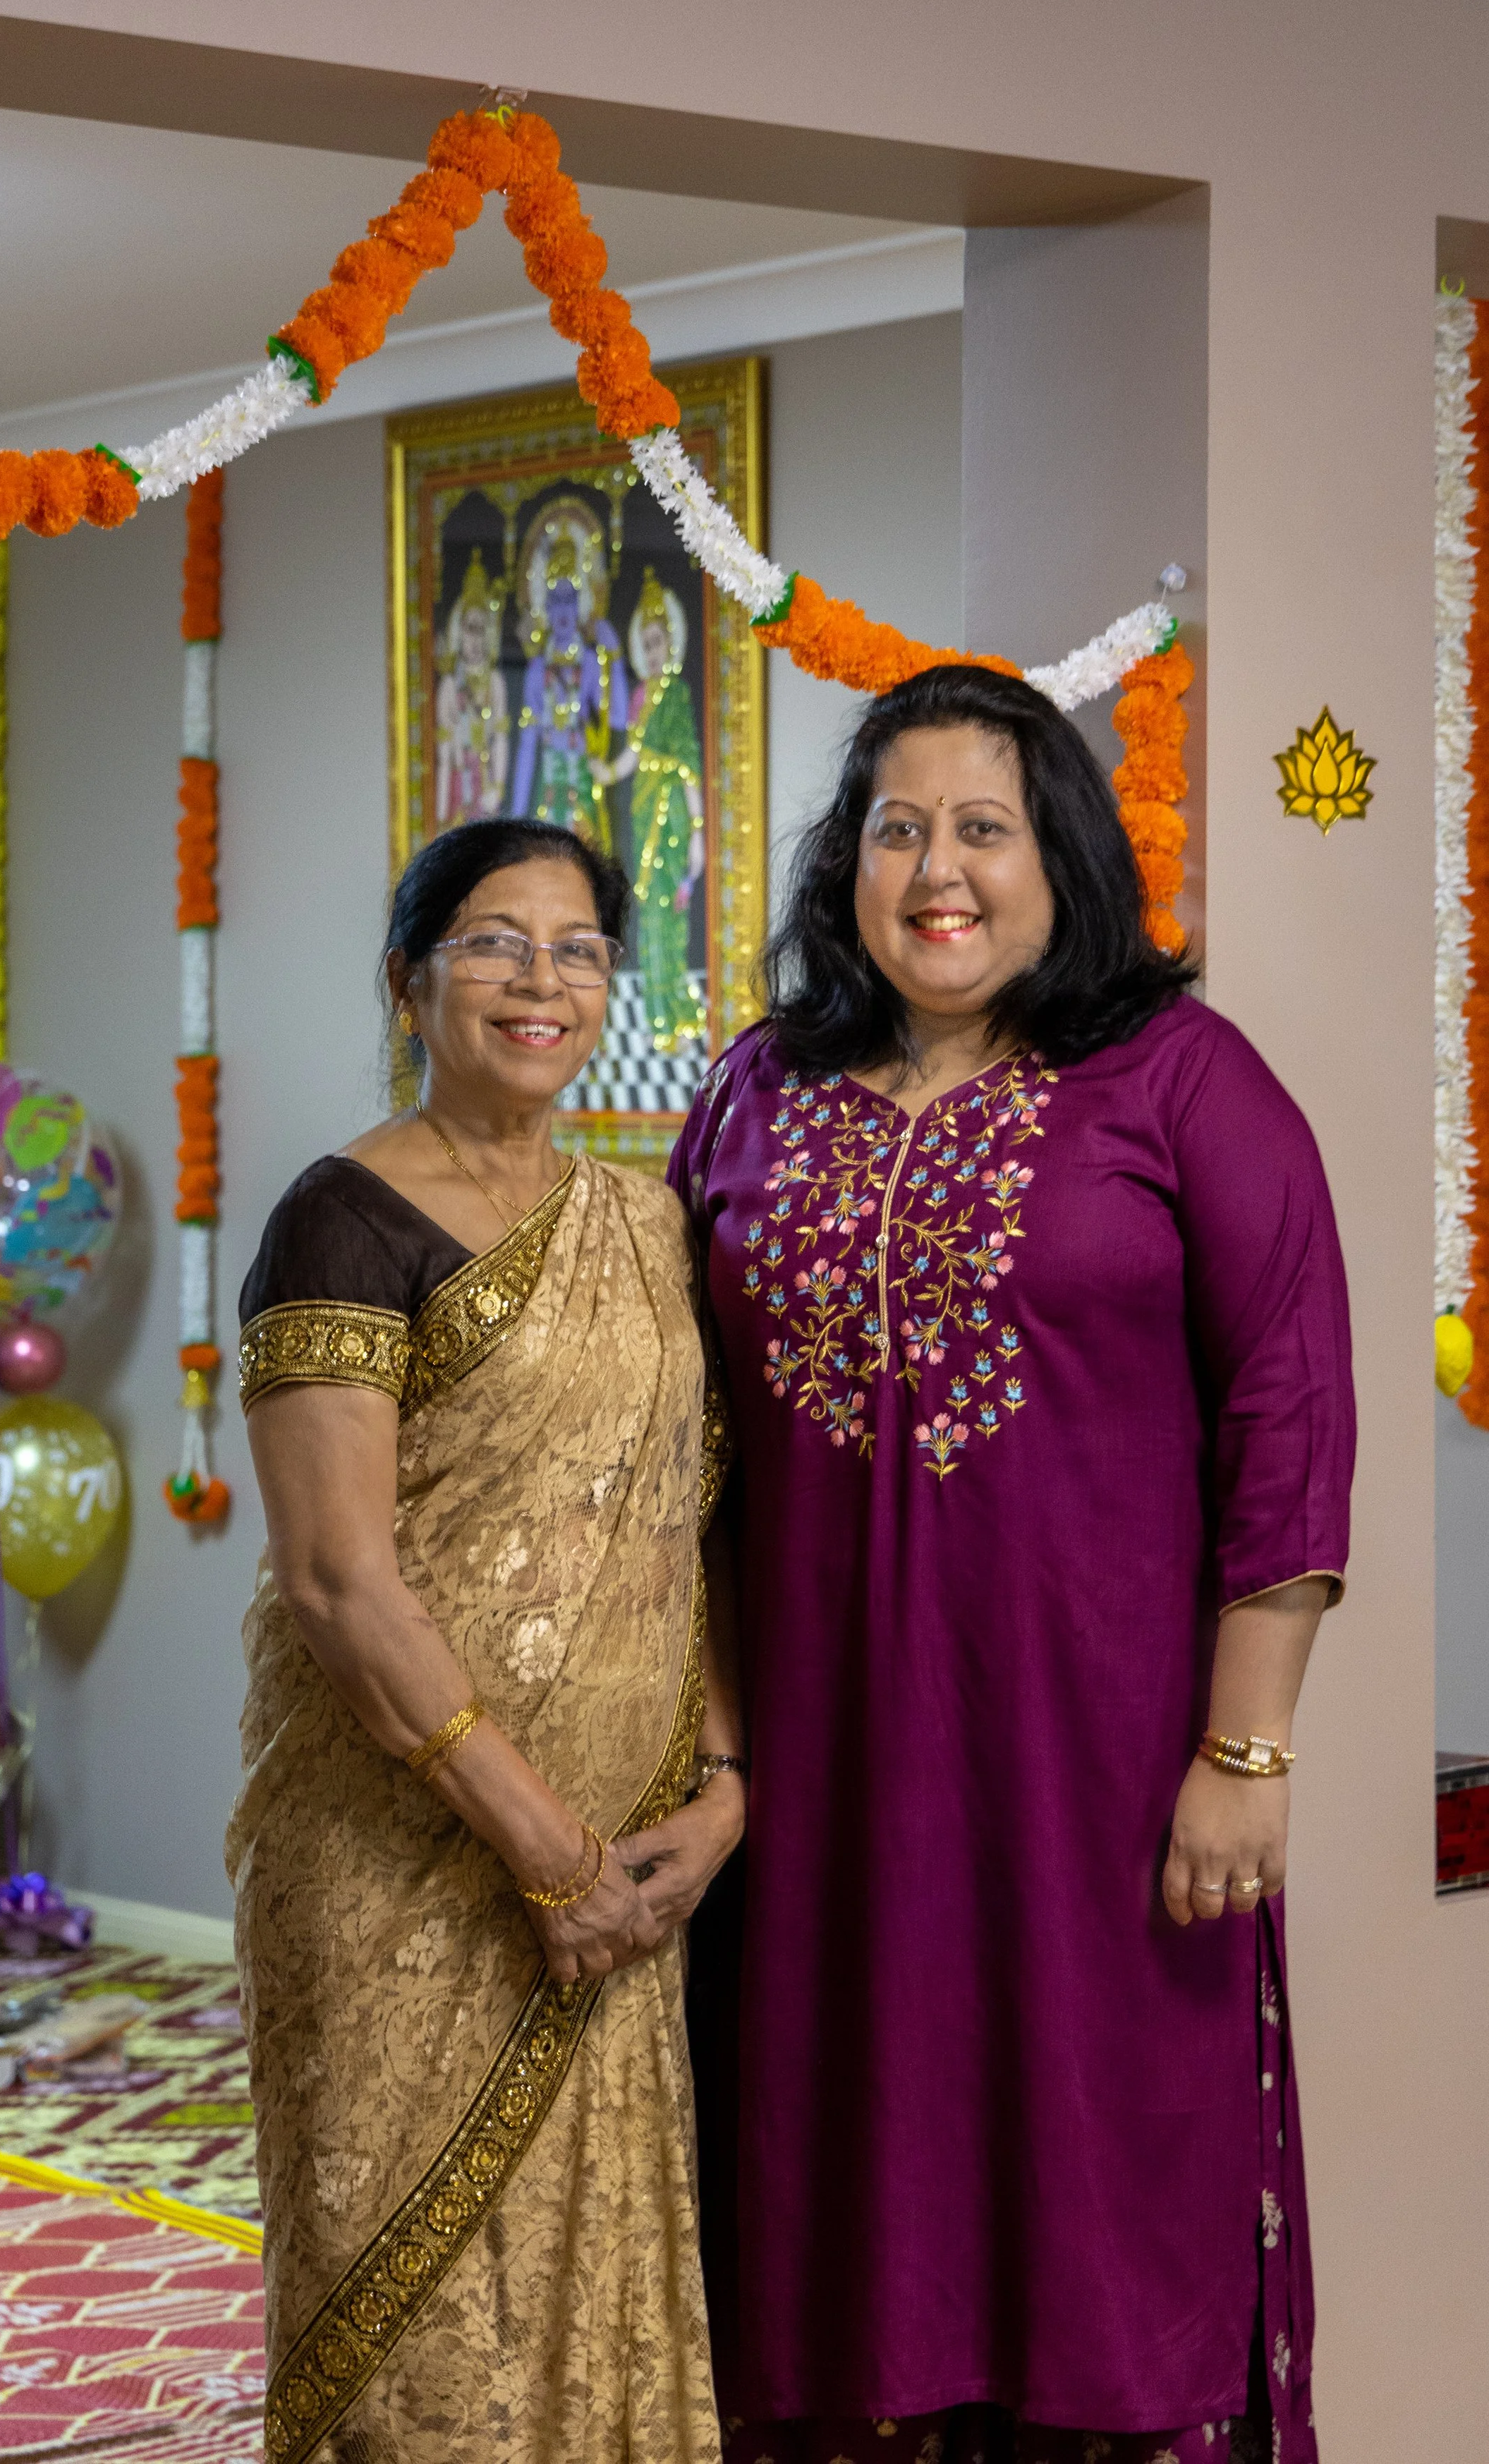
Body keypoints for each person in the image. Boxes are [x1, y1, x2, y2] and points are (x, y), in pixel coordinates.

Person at [671, 666, 1353, 2464]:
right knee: (838, 2202)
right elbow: (685, 1449)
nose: (938, 870)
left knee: (1110, 2204)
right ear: (847, 862)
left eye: (986, 826)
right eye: (899, 826)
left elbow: (1288, 1411)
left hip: (1108, 1788)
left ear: (1062, 856)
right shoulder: (754, 1093)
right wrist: (719, 1749)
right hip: (821, 1800)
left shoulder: (1181, 1076)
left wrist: (1246, 1753)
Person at [226, 815, 744, 2464]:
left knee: (595, 2300)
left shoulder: (649, 1224)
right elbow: (337, 1583)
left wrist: (722, 1782)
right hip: (410, 1866)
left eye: (579, 946)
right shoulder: (343, 1218)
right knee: (420, 2317)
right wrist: (540, 1846)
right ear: (409, 979)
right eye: (496, 943)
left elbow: (682, 1529)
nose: (542, 979)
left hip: (624, 1866)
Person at [604, 566, 707, 1054]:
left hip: (672, 816)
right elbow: (630, 756)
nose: (652, 653)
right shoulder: (641, 697)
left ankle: (676, 1017)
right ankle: (655, 1016)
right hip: (642, 812)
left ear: (672, 644)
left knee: (670, 917)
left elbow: (687, 763)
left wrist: (701, 831)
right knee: (648, 917)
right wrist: (602, 775)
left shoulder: (679, 695)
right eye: (645, 645)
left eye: (659, 643)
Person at [509, 529, 626, 841]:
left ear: (582, 603)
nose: (562, 610)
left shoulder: (590, 663)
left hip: (583, 795)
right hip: (546, 796)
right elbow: (528, 745)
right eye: (555, 600)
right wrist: (513, 823)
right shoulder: (537, 670)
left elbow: (617, 720)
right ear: (544, 606)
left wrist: (614, 657)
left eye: (569, 599)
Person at [433, 550, 510, 825]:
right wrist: (441, 816)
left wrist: (498, 789)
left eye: (481, 629)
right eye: (469, 629)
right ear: (458, 631)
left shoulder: (496, 683)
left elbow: (500, 739)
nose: (474, 639)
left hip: (485, 781)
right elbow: (444, 755)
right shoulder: (450, 686)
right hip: (457, 779)